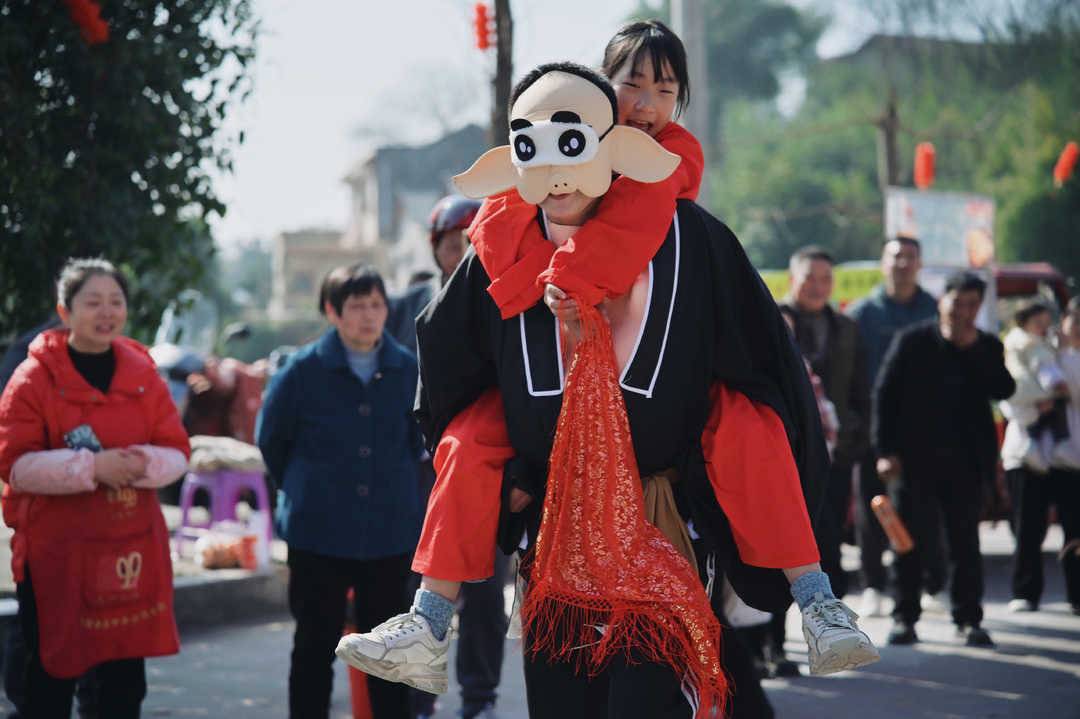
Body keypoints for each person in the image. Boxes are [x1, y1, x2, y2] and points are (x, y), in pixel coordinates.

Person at [339, 58, 878, 718]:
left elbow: (759, 353)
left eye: (664, 90)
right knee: (470, 435)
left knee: (745, 420)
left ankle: (816, 595)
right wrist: (506, 475)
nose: (646, 102)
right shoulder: (501, 235)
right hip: (556, 531)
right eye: (633, 85)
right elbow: (452, 358)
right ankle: (427, 616)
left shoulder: (689, 234)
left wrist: (702, 469)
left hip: (658, 521)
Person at [0, 257, 190, 718]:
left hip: (128, 554)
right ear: (64, 311)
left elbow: (177, 451)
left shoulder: (143, 373)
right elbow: (15, 465)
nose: (106, 312)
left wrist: (136, 464)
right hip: (58, 559)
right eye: (92, 302)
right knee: (48, 682)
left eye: (115, 301)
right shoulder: (34, 377)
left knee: (122, 688)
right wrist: (91, 467)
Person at [256, 264, 424, 719]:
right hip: (318, 535)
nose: (369, 316)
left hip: (388, 534)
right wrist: (305, 489)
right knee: (313, 644)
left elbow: (419, 443)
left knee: (387, 652)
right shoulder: (301, 370)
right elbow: (272, 440)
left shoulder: (407, 369)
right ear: (332, 311)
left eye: (376, 305)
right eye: (356, 306)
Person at [387, 195, 511, 719]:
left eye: (470, 241)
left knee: (484, 591)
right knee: (420, 587)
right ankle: (418, 697)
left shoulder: (506, 296)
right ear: (435, 247)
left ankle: (480, 697)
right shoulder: (403, 306)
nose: (461, 251)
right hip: (417, 470)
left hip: (483, 467)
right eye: (452, 243)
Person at [874, 270, 1015, 647]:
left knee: (964, 543)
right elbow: (885, 396)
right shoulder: (912, 341)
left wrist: (973, 351)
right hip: (913, 461)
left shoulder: (986, 345)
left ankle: (969, 619)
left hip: (967, 462)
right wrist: (884, 451)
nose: (963, 311)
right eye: (958, 302)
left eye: (972, 305)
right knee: (907, 542)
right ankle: (904, 617)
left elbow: (1004, 388)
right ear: (943, 300)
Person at [774, 246, 870, 672]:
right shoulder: (772, 320)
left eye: (825, 279)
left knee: (827, 545)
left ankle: (834, 637)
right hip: (783, 457)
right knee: (778, 550)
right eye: (810, 277)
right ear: (793, 279)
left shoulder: (846, 327)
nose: (817, 286)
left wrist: (856, 433)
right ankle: (773, 646)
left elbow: (859, 389)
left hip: (834, 454)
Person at [846, 235, 944, 618]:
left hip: (923, 432)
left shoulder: (935, 311)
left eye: (910, 257)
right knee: (872, 509)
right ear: (883, 263)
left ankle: (931, 583)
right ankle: (873, 585)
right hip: (872, 430)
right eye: (895, 256)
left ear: (919, 264)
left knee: (925, 511)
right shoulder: (862, 313)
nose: (903, 263)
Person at [1004, 299, 1080, 614]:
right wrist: (1038, 403)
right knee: (1028, 528)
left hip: (1071, 457)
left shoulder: (1062, 358)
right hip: (1028, 454)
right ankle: (1026, 592)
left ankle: (1077, 595)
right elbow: (1012, 396)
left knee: (1075, 531)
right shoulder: (1028, 349)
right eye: (1073, 320)